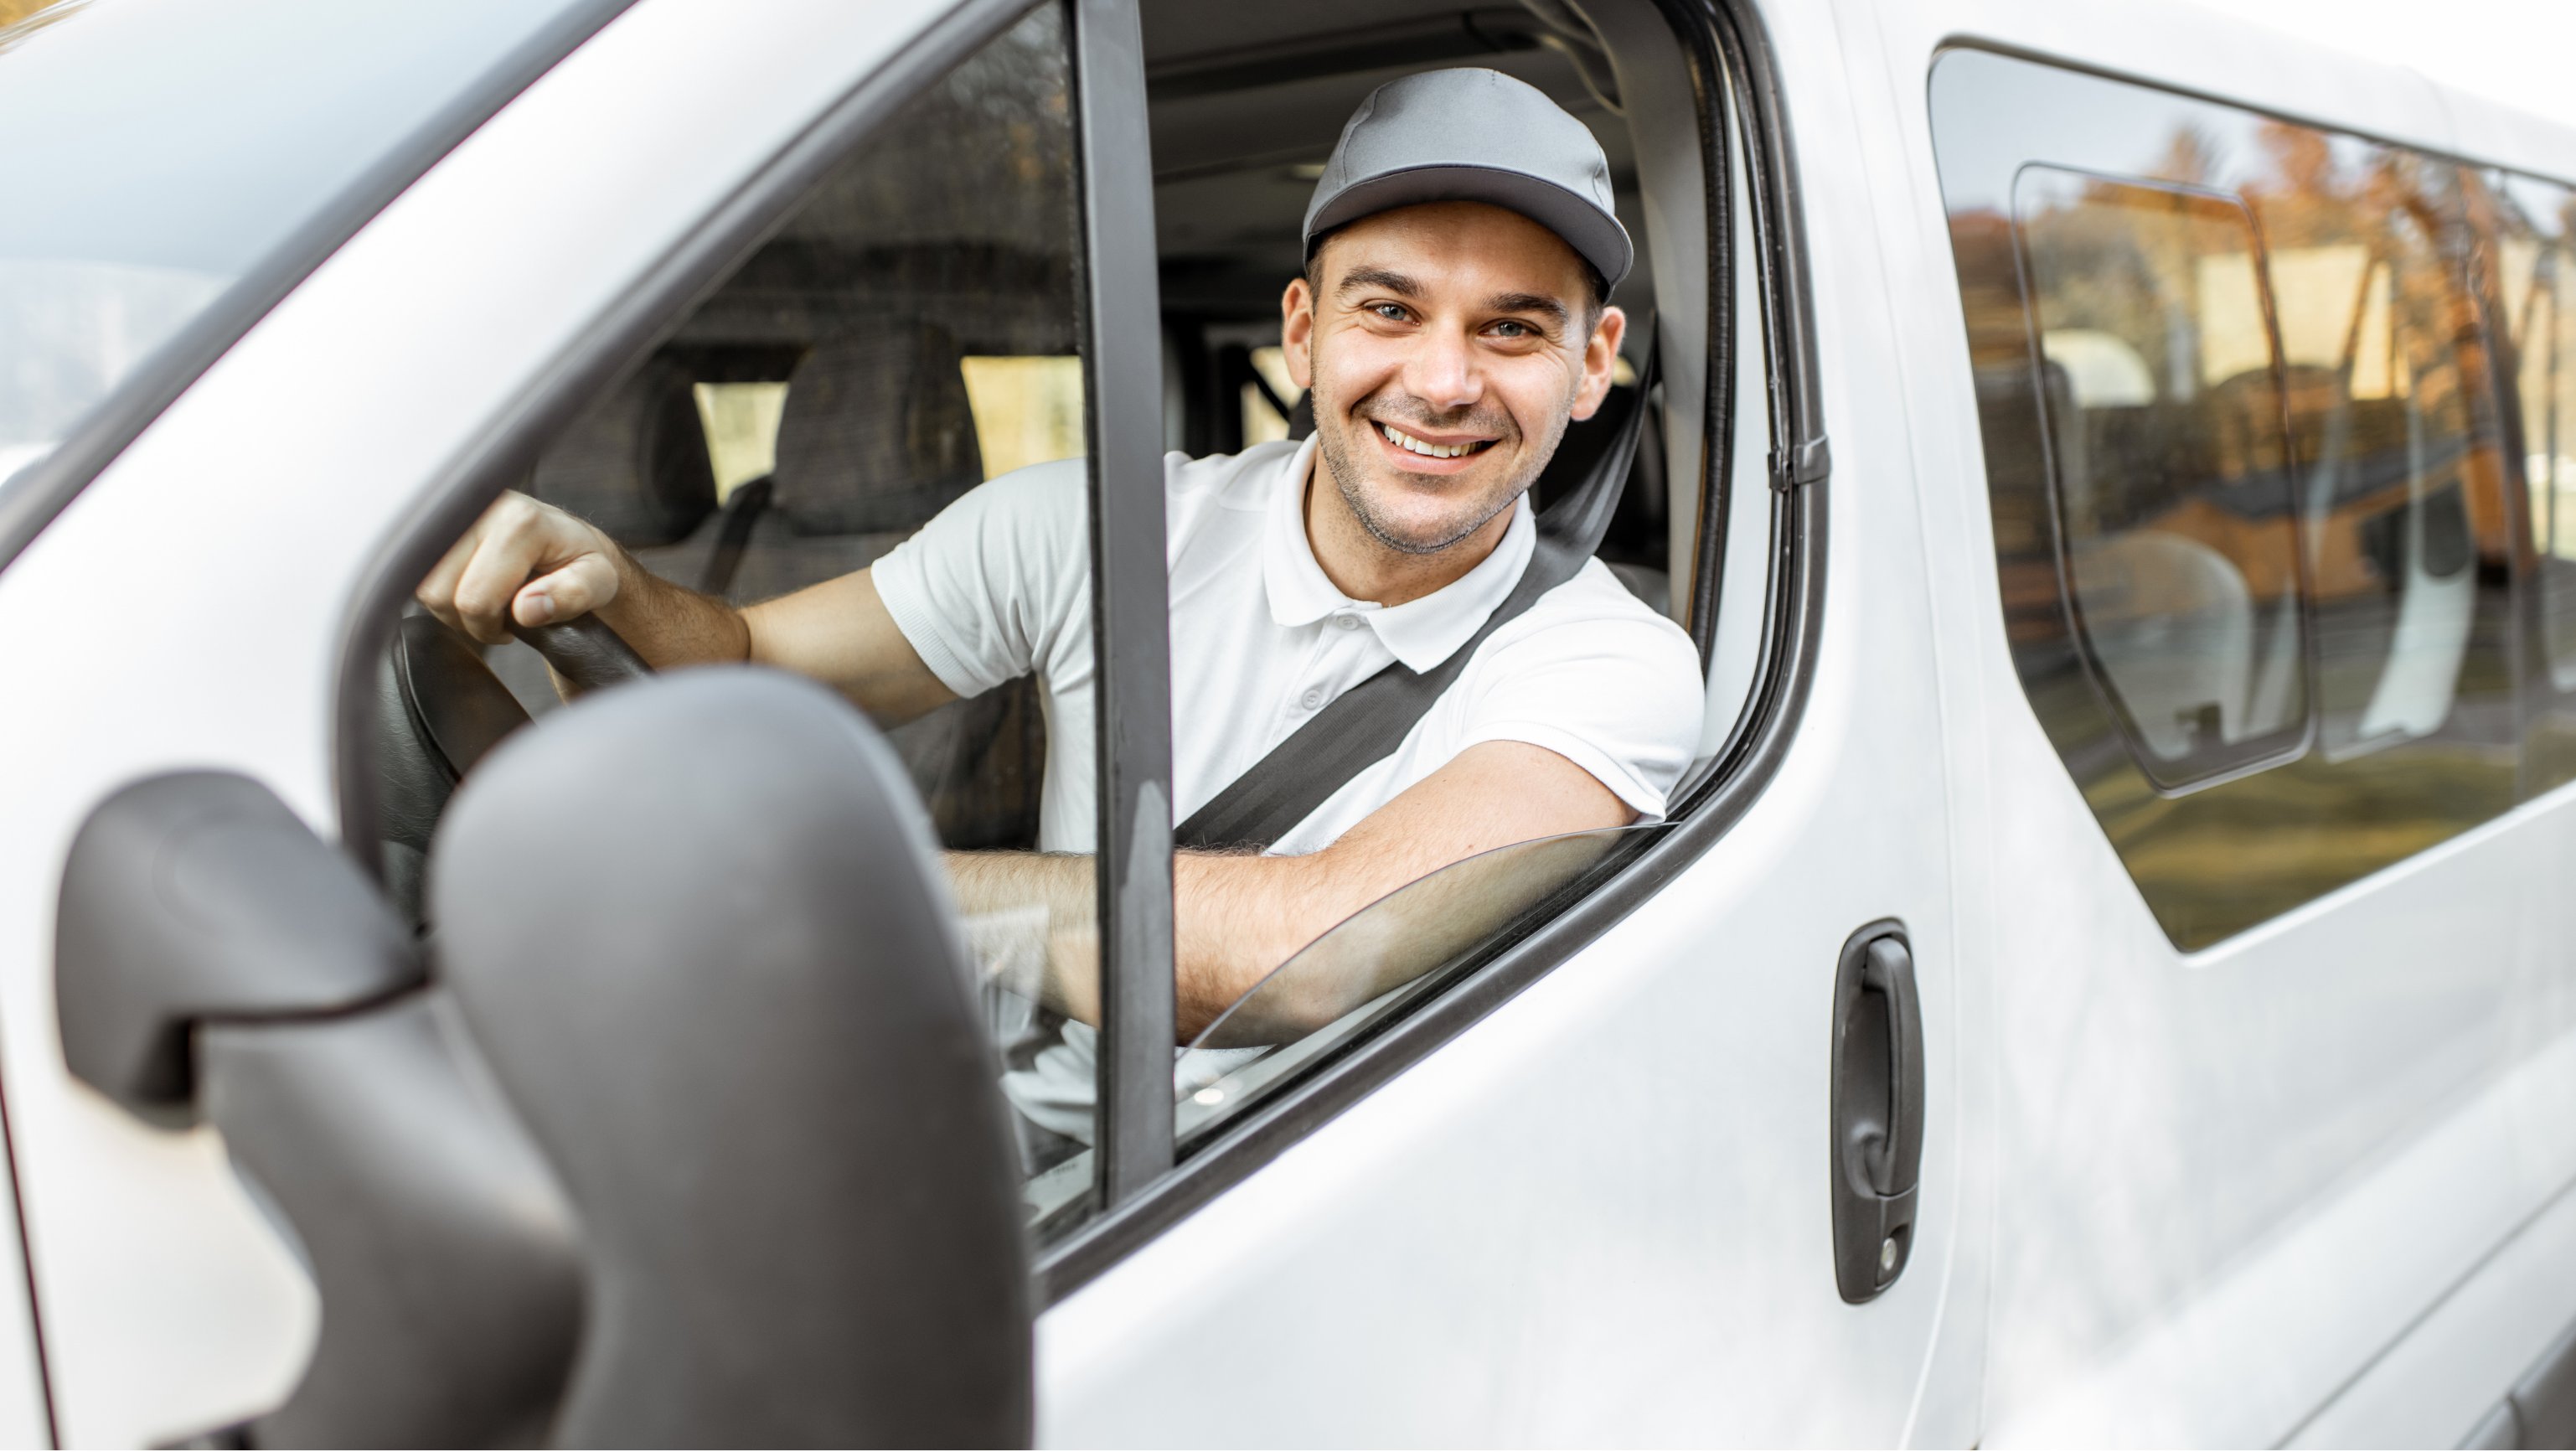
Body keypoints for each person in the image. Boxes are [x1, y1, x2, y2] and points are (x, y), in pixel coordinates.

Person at [416, 67, 1705, 1145]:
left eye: (1512, 330)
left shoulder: (1611, 664)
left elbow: (1314, 951)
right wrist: (604, 591)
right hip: (1029, 1148)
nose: (1443, 379)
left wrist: (839, 876)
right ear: (1304, 332)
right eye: (1390, 309)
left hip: (1309, 1177)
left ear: (1594, 364)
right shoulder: (1094, 529)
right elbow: (747, 661)